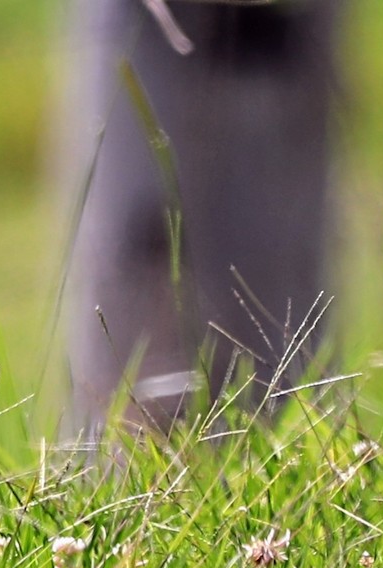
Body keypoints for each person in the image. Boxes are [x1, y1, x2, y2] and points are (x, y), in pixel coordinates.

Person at [64, 0, 343, 433]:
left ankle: (284, 431)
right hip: (146, 52)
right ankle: (127, 445)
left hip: (278, 63)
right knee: (143, 247)